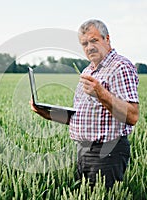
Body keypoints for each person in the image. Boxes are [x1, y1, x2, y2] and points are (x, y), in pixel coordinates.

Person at [30, 19, 139, 189]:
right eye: (84, 43)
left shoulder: (120, 67)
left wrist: (101, 93)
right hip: (83, 152)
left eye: (94, 40)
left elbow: (132, 116)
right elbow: (81, 117)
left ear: (107, 39)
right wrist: (47, 113)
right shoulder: (88, 70)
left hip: (106, 153)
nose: (89, 47)